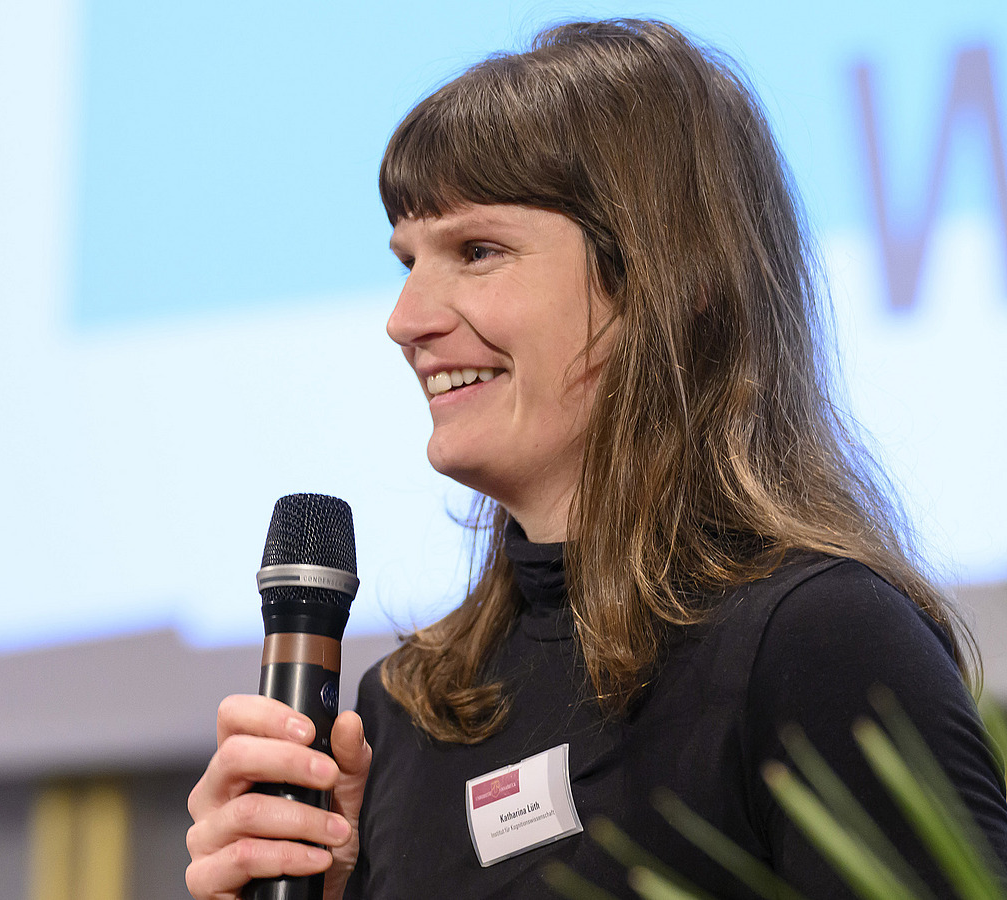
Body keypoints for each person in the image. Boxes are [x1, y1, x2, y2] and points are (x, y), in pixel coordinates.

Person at [185, 18, 1007, 900]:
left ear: (668, 275)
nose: (407, 319)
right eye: (406, 264)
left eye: (477, 251)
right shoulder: (407, 710)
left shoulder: (817, 643)